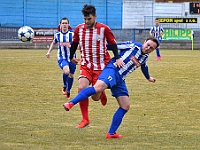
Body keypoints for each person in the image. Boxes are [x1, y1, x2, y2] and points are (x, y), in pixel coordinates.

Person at [63, 37, 159, 138]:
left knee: (125, 106)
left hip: (120, 79)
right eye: (147, 45)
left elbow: (144, 67)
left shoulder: (145, 56)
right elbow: (113, 46)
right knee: (98, 88)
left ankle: (111, 133)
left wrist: (148, 77)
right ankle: (70, 103)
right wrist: (115, 57)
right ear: (144, 42)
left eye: (151, 48)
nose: (148, 48)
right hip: (112, 70)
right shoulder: (132, 45)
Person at [69, 4, 124, 129]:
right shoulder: (79, 29)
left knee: (95, 97)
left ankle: (101, 92)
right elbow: (75, 43)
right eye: (85, 19)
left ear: (95, 16)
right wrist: (71, 56)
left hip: (101, 66)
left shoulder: (104, 29)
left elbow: (113, 43)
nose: (87, 22)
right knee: (81, 87)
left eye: (89, 19)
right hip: (86, 64)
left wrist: (117, 57)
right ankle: (85, 119)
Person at [46, 17, 76, 98]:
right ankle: (65, 85)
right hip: (62, 57)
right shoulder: (57, 34)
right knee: (66, 71)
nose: (64, 25)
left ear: (68, 25)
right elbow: (53, 43)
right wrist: (49, 52)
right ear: (60, 25)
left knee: (71, 75)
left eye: (66, 23)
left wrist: (72, 46)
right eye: (63, 23)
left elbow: (78, 45)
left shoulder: (72, 34)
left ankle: (68, 90)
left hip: (72, 58)